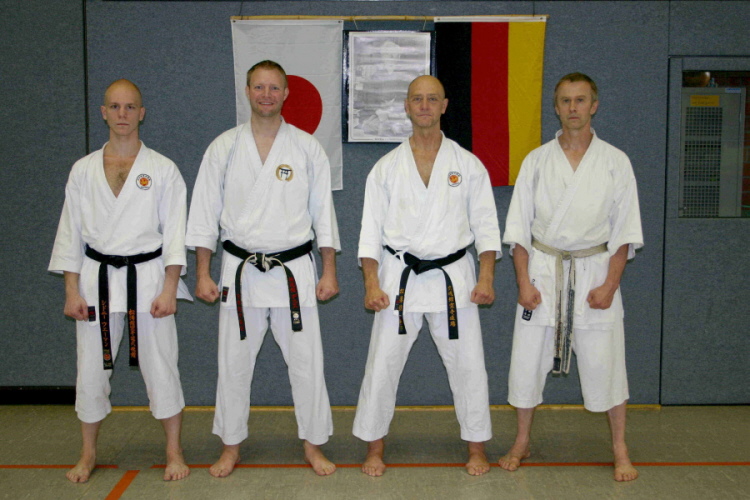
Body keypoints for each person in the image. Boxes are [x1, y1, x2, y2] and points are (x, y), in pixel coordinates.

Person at [186, 60, 340, 478]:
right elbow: (204, 214)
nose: (266, 95)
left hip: (294, 271)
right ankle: (230, 446)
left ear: (286, 93)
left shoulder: (307, 148)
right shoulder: (223, 147)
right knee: (233, 363)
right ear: (247, 91)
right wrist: (202, 272)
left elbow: (323, 215)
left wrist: (329, 270)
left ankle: (313, 444)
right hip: (240, 271)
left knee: (307, 363)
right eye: (259, 87)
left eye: (274, 88)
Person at [353, 75, 502, 477]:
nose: (424, 106)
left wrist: (486, 278)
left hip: (454, 278)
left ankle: (476, 448)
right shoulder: (385, 169)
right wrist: (371, 283)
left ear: (444, 105)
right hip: (398, 276)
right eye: (417, 99)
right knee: (382, 365)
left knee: (469, 366)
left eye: (432, 99)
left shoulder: (467, 165)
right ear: (406, 106)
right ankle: (374, 447)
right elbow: (369, 233)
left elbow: (487, 228)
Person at [499, 72, 643, 482]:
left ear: (593, 105)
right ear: (556, 107)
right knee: (527, 361)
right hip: (544, 272)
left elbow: (624, 231)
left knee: (607, 361)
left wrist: (610, 285)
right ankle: (521, 441)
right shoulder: (536, 161)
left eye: (581, 100)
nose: (573, 108)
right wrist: (524, 282)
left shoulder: (615, 161)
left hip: (595, 271)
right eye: (566, 100)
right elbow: (518, 229)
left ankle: (619, 447)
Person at [49, 79, 191, 483]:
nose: (123, 114)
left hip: (148, 279)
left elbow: (175, 234)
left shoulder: (162, 169)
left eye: (130, 107)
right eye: (115, 106)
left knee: (162, 366)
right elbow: (70, 233)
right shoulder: (83, 170)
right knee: (91, 370)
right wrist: (71, 290)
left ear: (142, 113)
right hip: (95, 279)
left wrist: (169, 288)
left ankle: (174, 451)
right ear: (104, 113)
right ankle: (88, 452)